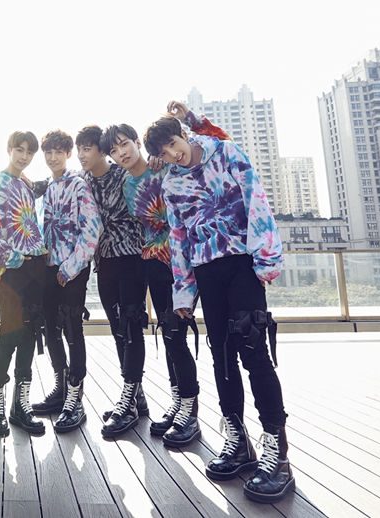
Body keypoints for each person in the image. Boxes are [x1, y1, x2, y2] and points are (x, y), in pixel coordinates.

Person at [145, 114, 294, 503]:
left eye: (173, 144)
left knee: (254, 353)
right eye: (164, 153)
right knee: (222, 357)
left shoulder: (226, 152)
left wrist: (266, 259)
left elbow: (256, 200)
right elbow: (178, 238)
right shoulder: (171, 182)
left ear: (183, 134)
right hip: (206, 271)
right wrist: (183, 293)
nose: (173, 154)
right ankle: (238, 441)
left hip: (242, 264)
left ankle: (277, 453)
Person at [111, 102, 228, 448]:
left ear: (137, 143)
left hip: (181, 261)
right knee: (167, 333)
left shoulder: (164, 168)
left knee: (177, 332)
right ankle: (178, 402)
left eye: (125, 144)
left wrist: (188, 123)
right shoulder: (126, 186)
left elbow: (204, 153)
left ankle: (190, 410)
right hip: (152, 261)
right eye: (114, 150)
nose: (121, 153)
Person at [74, 124, 150, 438]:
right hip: (104, 262)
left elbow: (146, 180)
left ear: (101, 151)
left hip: (132, 257)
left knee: (131, 326)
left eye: (87, 149)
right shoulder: (83, 181)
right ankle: (136, 396)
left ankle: (128, 401)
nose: (81, 155)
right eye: (78, 149)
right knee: (119, 329)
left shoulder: (122, 174)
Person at [32, 129, 101, 433]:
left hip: (72, 268)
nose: (52, 157)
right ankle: (60, 390)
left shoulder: (78, 185)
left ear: (68, 154)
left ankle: (75, 398)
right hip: (48, 268)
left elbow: (92, 230)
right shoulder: (46, 188)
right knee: (50, 330)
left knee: (73, 330)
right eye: (48, 152)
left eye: (58, 152)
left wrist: (70, 267)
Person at [0, 131, 48, 436]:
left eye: (29, 152)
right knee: (9, 332)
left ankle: (21, 406)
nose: (24, 156)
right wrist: (11, 259)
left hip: (36, 266)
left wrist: (39, 257)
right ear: (9, 149)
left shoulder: (27, 187)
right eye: (19, 149)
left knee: (30, 333)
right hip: (10, 269)